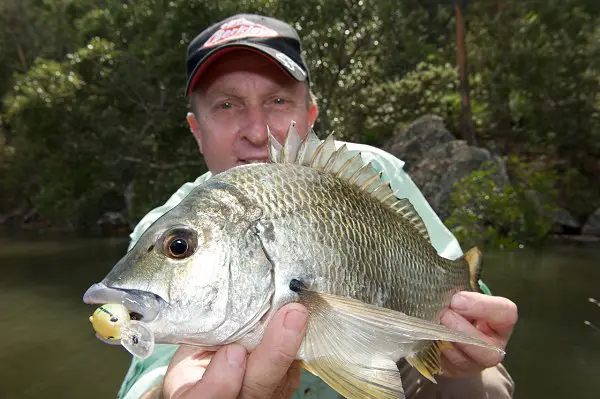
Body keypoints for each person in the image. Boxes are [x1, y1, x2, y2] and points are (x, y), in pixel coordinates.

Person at [116, 13, 517, 399]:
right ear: (196, 130)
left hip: (393, 344)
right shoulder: (171, 220)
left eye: (277, 100)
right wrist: (165, 394)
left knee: (482, 384)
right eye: (226, 105)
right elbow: (151, 365)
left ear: (309, 116)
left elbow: (450, 284)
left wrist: (469, 328)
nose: (257, 131)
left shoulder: (373, 172)